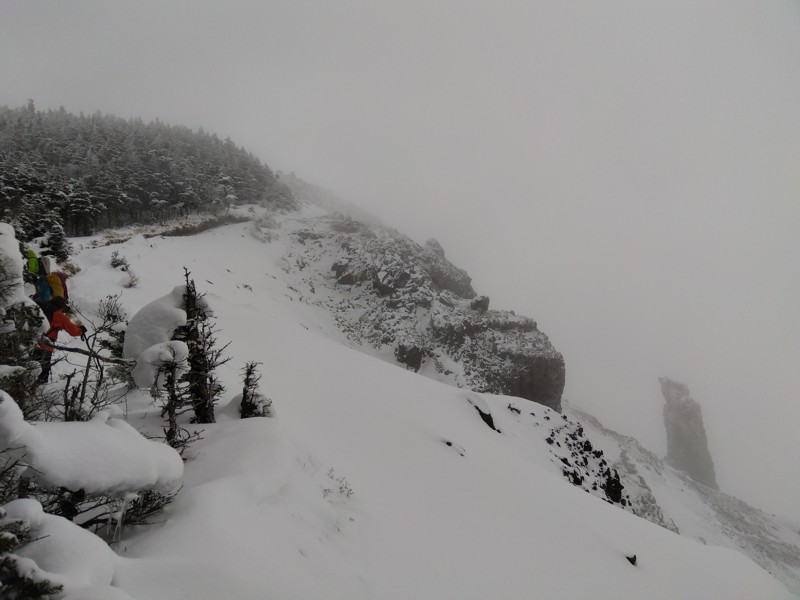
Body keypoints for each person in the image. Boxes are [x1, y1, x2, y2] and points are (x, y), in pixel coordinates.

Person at [33, 296, 86, 384]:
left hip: (32, 342)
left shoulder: (40, 308)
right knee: (42, 373)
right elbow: (73, 331)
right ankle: (35, 391)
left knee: (31, 368)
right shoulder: (58, 315)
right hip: (46, 346)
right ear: (61, 306)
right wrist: (81, 330)